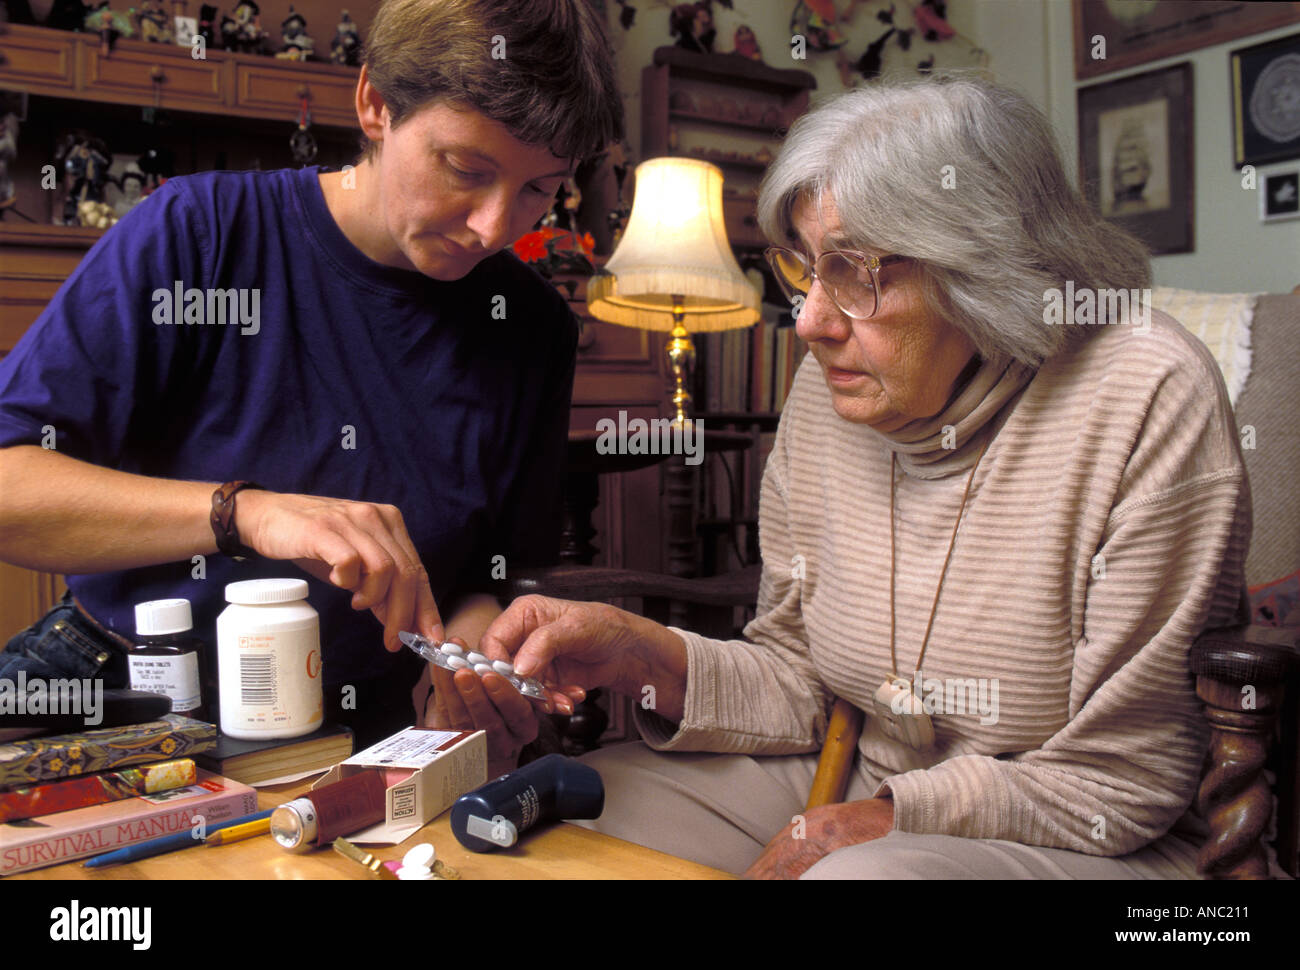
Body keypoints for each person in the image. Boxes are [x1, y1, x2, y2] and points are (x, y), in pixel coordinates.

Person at [437, 74, 1253, 879]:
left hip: (1087, 832)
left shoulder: (1145, 394)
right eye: (803, 269)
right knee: (555, 821)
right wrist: (640, 655)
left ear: (989, 266)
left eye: (856, 271)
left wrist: (888, 822)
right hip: (855, 773)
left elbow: (1126, 779)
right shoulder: (836, 395)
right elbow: (800, 683)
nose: (810, 323)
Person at [0, 0, 623, 756]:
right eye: (466, 169)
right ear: (374, 105)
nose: (496, 229)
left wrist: (468, 654)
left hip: (365, 735)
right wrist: (250, 515)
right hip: (119, 683)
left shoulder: (531, 327)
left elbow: (497, 568)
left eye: (538, 189)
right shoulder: (200, 234)